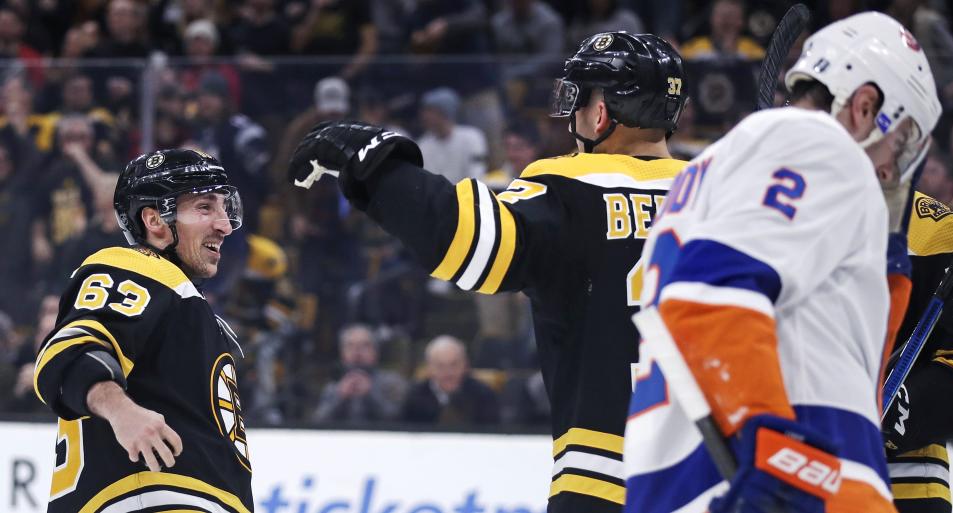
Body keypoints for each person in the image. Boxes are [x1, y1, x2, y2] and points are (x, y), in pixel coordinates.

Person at [289, 31, 688, 513]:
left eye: (581, 99)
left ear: (601, 112)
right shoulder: (723, 192)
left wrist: (375, 163)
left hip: (607, 477)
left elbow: (464, 242)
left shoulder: (570, 189)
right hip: (720, 472)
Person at [624, 11, 941, 513]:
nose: (891, 169)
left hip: (683, 474)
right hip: (789, 478)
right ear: (865, 105)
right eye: (901, 142)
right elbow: (710, 295)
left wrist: (890, 259)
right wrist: (776, 455)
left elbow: (848, 354)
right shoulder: (820, 144)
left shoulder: (706, 170)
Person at [33, 149, 253, 512]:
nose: (224, 224)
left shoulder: (182, 300)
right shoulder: (135, 265)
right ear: (154, 220)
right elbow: (67, 354)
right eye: (204, 208)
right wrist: (121, 410)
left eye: (223, 207)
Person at [883, 190, 953, 513]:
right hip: (766, 457)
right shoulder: (753, 208)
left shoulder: (936, 233)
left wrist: (906, 410)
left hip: (899, 479)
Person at [311, 323, 408, 423]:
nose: (356, 351)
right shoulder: (333, 387)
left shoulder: (392, 383)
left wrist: (370, 394)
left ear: (376, 352)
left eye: (364, 346)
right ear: (342, 354)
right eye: (350, 346)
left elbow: (399, 419)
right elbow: (317, 422)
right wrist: (340, 397)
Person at [401, 335, 499, 425]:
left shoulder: (483, 396)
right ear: (429, 368)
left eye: (454, 364)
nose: (448, 372)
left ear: (465, 365)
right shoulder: (413, 398)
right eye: (440, 366)